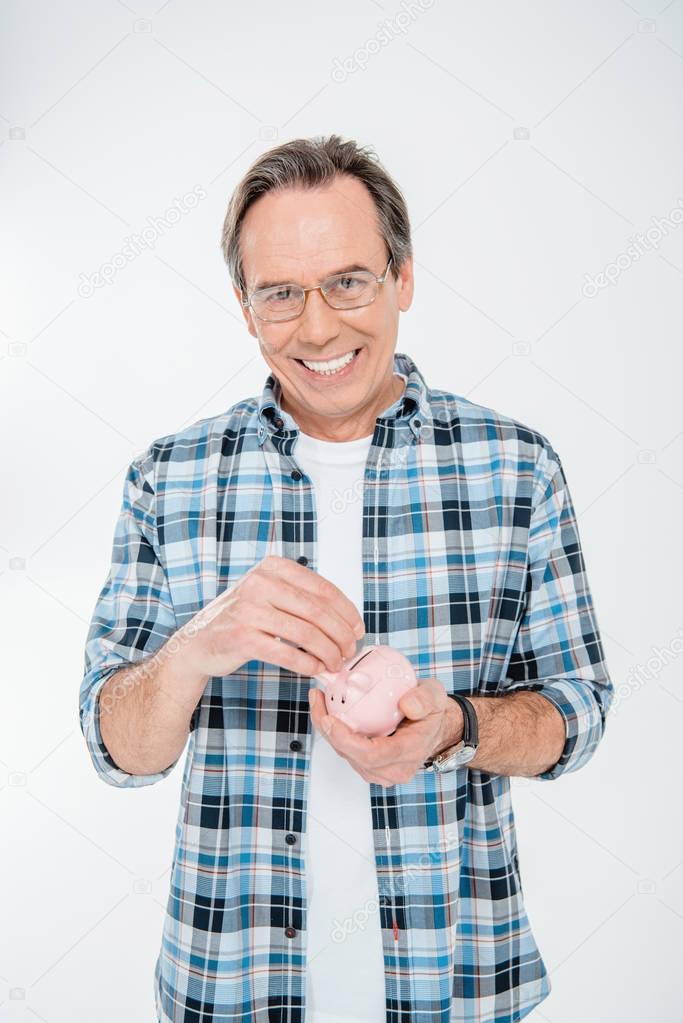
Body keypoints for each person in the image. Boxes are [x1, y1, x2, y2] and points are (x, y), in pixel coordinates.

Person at [79, 134, 614, 1023]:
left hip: (459, 983)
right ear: (245, 309)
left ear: (402, 279)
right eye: (281, 293)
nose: (318, 326)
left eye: (349, 281)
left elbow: (580, 710)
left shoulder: (513, 467)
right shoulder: (166, 478)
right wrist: (190, 652)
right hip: (231, 986)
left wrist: (455, 727)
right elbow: (116, 749)